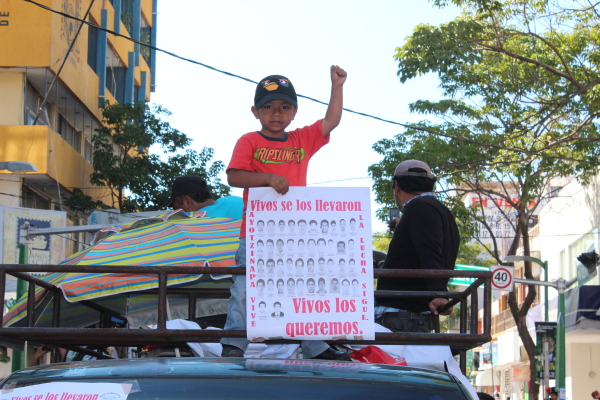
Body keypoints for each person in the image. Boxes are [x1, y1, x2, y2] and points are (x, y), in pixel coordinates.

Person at [221, 66, 348, 361]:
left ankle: (314, 345)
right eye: (268, 107)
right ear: (255, 111)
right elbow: (234, 177)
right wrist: (266, 178)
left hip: (296, 233)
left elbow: (332, 120)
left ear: (294, 112)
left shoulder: (301, 140)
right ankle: (233, 343)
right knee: (244, 287)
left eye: (284, 107)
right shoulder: (249, 141)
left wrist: (337, 86)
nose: (276, 113)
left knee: (303, 289)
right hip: (255, 233)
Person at [375, 160, 459, 333]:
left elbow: (429, 250)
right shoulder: (439, 210)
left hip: (400, 315)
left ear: (396, 186)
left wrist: (439, 293)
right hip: (411, 315)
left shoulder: (419, 208)